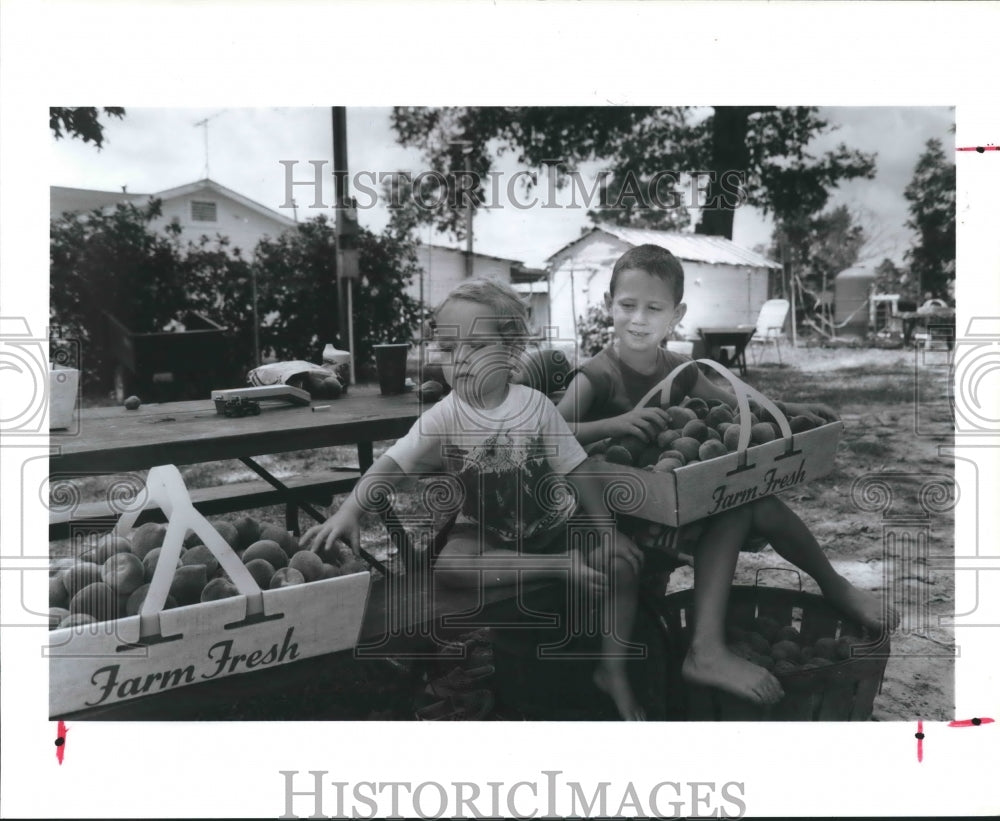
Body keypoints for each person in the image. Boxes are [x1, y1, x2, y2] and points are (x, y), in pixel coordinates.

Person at [557, 244, 899, 706]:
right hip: (611, 519)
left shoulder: (679, 370)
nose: (638, 319)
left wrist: (789, 410)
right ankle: (707, 649)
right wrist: (610, 425)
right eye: (627, 305)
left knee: (751, 499)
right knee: (737, 502)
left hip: (676, 503)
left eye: (653, 308)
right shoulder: (597, 376)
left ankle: (828, 586)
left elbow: (732, 400)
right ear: (608, 307)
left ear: (676, 314)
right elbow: (550, 433)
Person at [302, 278, 648, 720]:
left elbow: (578, 470)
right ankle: (557, 569)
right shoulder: (445, 414)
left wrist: (607, 532)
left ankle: (613, 670)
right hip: (484, 526)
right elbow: (392, 463)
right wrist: (353, 508)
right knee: (449, 566)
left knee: (623, 564)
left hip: (551, 523)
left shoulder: (536, 406)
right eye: (449, 348)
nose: (460, 359)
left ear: (512, 352)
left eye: (476, 346)